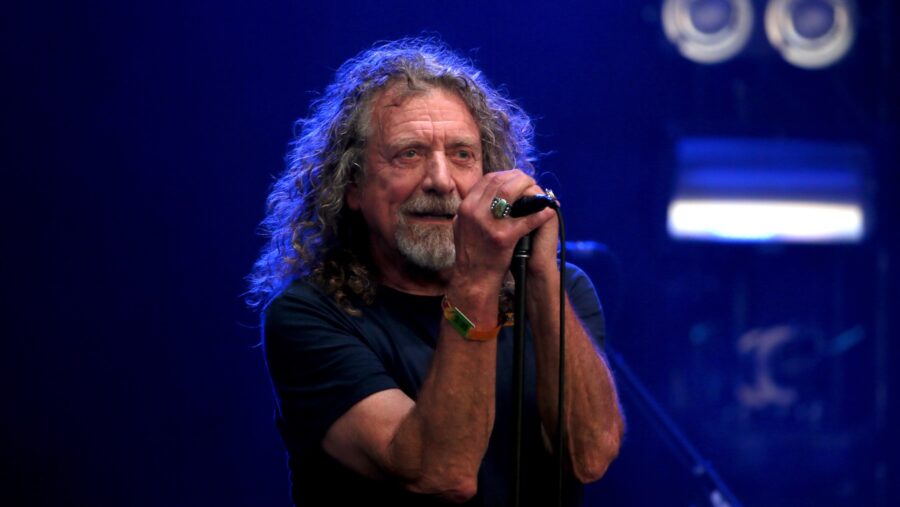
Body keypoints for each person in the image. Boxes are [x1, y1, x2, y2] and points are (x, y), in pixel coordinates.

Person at [247, 37, 624, 506]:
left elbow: (590, 457)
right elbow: (442, 475)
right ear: (353, 186)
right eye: (409, 154)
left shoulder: (562, 288)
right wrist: (476, 277)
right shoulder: (308, 315)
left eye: (463, 155)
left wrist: (542, 276)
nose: (441, 181)